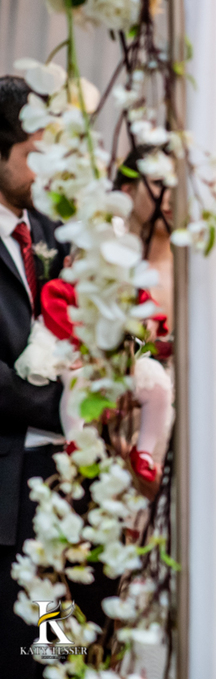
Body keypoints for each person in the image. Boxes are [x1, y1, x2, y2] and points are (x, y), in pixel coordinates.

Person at [0, 76, 69, 678]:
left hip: (53, 506)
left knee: (55, 658)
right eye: (33, 155)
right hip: (3, 497)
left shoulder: (50, 236)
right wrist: (68, 408)